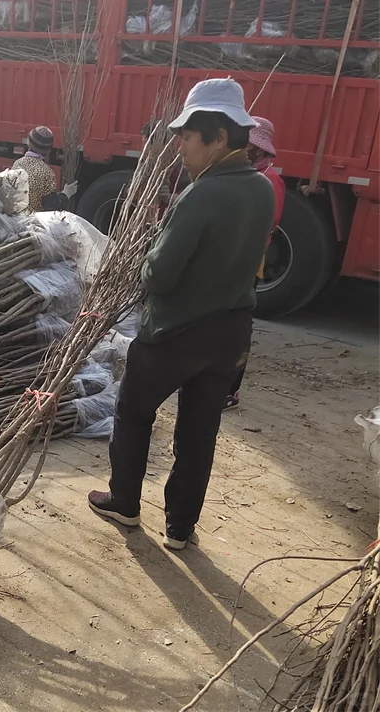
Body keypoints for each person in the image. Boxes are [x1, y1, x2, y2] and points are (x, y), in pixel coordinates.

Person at [87, 78, 275, 551]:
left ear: (218, 138)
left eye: (187, 137)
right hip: (231, 334)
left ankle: (125, 503)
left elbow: (160, 277)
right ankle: (180, 527)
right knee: (199, 432)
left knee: (132, 412)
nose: (180, 147)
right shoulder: (261, 189)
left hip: (176, 332)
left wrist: (149, 254)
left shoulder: (202, 194)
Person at [224, 115, 285, 409]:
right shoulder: (244, 176)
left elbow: (265, 225)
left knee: (236, 326)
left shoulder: (269, 181)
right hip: (232, 260)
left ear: (259, 150)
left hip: (247, 263)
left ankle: (229, 390)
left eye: (247, 145)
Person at [11, 126, 78, 212]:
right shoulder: (46, 172)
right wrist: (66, 194)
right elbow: (50, 206)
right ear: (48, 150)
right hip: (33, 222)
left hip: (16, 218)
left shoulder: (17, 163)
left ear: (28, 143)